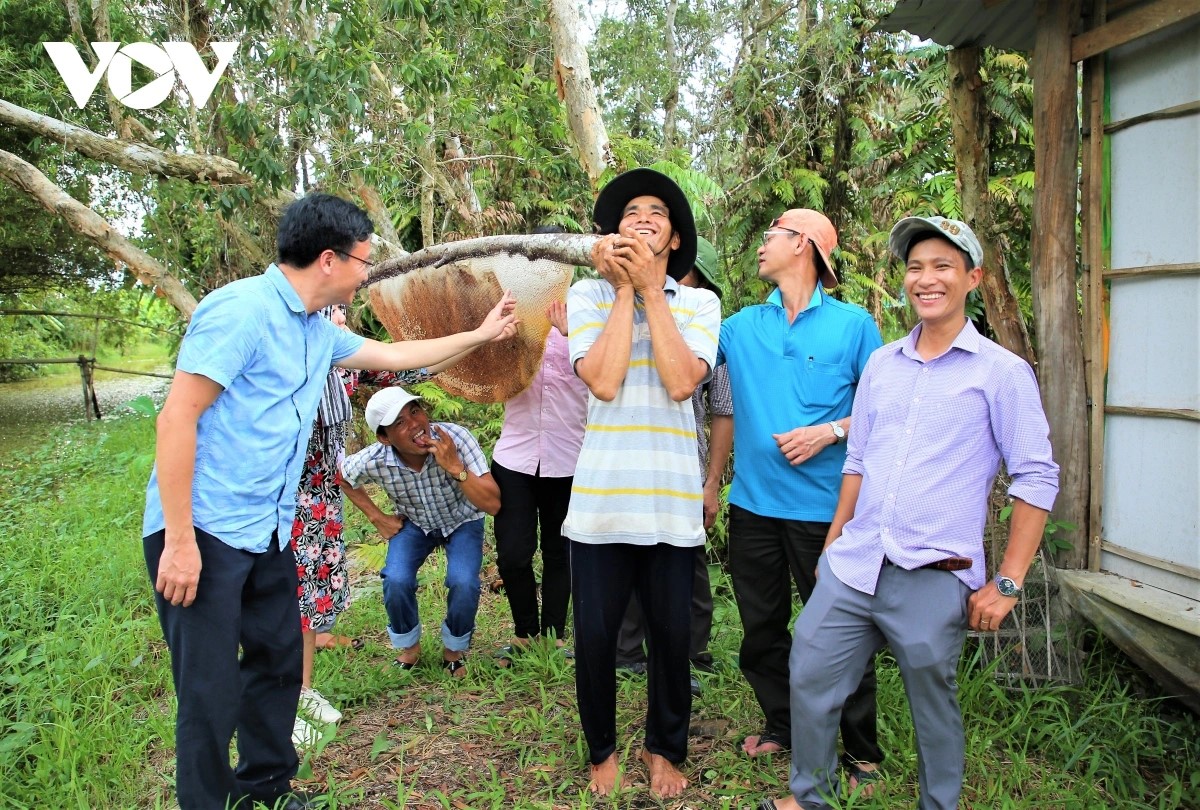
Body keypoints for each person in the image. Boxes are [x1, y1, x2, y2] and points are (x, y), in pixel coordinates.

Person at [142, 192, 517, 810]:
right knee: (208, 688)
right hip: (204, 528)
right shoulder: (240, 310)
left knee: (279, 660)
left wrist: (482, 333)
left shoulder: (317, 333)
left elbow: (397, 357)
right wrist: (179, 540)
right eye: (363, 261)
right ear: (328, 260)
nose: (365, 275)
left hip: (269, 529)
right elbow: (176, 418)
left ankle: (266, 788)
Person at [760, 216, 1059, 810]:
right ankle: (811, 796)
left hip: (934, 572)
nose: (926, 279)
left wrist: (1007, 582)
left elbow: (1036, 477)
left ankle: (938, 804)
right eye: (916, 267)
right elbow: (858, 460)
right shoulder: (883, 364)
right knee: (810, 673)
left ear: (973, 278)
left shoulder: (1001, 373)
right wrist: (833, 542)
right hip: (857, 562)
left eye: (943, 266)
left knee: (932, 702)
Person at [711, 209, 885, 783]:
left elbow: (885, 411)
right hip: (753, 507)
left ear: (803, 244)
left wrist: (829, 430)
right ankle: (783, 724)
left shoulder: (853, 326)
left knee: (841, 630)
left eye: (771, 236)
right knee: (762, 629)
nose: (761, 245)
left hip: (826, 513)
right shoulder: (740, 326)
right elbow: (684, 355)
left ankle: (861, 751)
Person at [563, 167, 720, 799]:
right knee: (596, 640)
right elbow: (603, 381)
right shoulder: (586, 295)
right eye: (631, 213)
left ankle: (665, 749)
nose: (644, 219)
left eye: (658, 213)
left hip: (670, 504)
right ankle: (602, 749)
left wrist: (654, 290)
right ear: (613, 233)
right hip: (600, 505)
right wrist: (625, 290)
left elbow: (682, 381)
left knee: (672, 641)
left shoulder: (701, 304)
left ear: (675, 239)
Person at [291, 304, 462, 746]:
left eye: (342, 313)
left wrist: (480, 336)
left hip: (319, 498)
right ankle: (280, 703)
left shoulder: (344, 367)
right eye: (330, 314)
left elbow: (414, 365)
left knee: (307, 600)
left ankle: (301, 691)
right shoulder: (286, 362)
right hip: (279, 495)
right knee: (280, 599)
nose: (342, 322)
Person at [614, 236, 731, 697]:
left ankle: (691, 653)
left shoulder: (709, 334)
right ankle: (628, 651)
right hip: (631, 462)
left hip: (684, 467)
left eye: (681, 275)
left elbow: (723, 411)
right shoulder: (627, 317)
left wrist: (711, 482)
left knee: (687, 564)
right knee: (627, 553)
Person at [340, 386, 500, 677]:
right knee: (396, 578)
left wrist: (455, 466)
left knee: (464, 581)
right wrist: (377, 518)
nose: (415, 424)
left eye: (415, 411)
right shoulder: (375, 458)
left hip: (463, 519)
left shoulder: (456, 438)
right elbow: (342, 476)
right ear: (384, 438)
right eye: (400, 422)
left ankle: (454, 650)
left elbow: (493, 504)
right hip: (415, 523)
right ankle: (409, 649)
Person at [491, 298, 588, 665]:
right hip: (515, 457)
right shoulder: (515, 316)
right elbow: (488, 374)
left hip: (569, 457)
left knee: (559, 552)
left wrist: (576, 334)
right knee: (513, 553)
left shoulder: (588, 317)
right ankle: (524, 633)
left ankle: (553, 636)